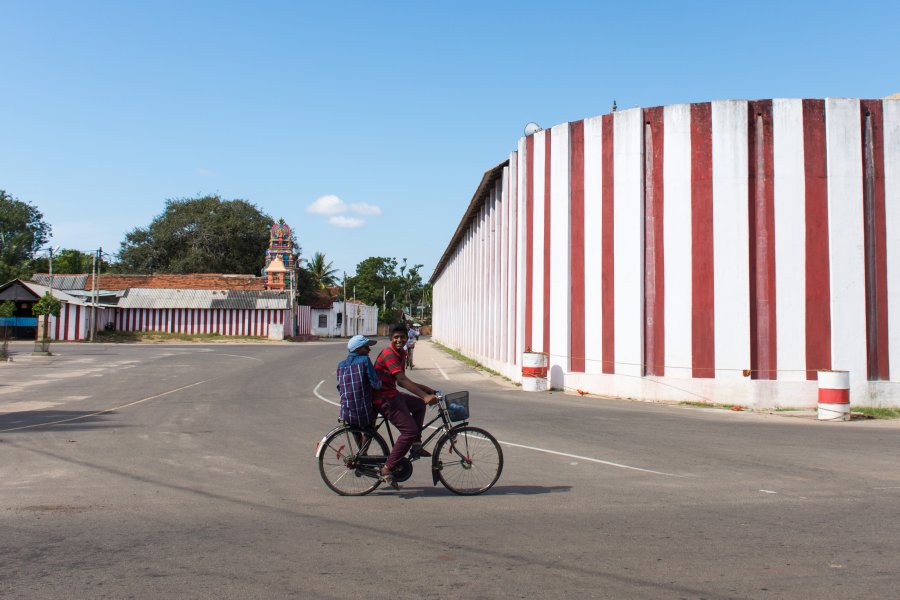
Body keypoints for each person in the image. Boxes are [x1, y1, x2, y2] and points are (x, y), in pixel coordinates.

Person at [373, 323, 438, 488]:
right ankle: (387, 469)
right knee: (409, 431)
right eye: (396, 337)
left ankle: (416, 445)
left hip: (392, 394)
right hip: (384, 399)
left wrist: (425, 390)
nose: (399, 340)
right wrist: (424, 396)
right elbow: (401, 380)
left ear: (407, 337)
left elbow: (401, 381)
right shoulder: (389, 354)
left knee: (418, 405)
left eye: (402, 337)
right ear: (390, 339)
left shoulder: (401, 353)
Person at [336, 334, 381, 427]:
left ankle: (358, 440)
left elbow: (339, 388)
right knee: (372, 422)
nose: (369, 350)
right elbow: (376, 385)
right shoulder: (364, 360)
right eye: (366, 347)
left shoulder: (340, 365)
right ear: (357, 349)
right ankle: (366, 439)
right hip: (363, 412)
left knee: (353, 427)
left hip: (346, 413)